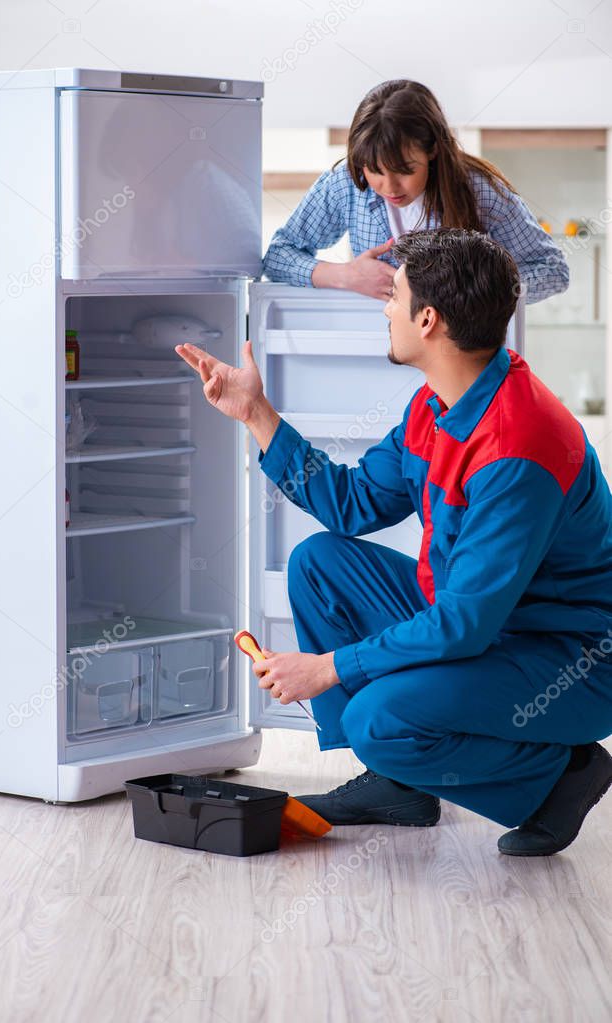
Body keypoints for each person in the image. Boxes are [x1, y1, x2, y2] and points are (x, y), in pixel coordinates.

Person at [175, 228, 612, 857]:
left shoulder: (519, 448)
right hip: (489, 626)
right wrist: (257, 415)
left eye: (394, 296)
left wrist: (327, 668)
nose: (385, 308)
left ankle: (559, 779)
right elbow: (351, 506)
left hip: (564, 660)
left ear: (428, 319)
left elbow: (462, 625)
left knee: (378, 717)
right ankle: (398, 785)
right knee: (320, 563)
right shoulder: (435, 406)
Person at [263, 79, 569, 305]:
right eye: (375, 171)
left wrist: (477, 292)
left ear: (433, 150)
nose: (389, 187)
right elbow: (278, 256)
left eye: (405, 170)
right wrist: (346, 276)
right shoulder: (346, 184)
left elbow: (552, 270)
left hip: (462, 364)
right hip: (375, 352)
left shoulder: (480, 192)